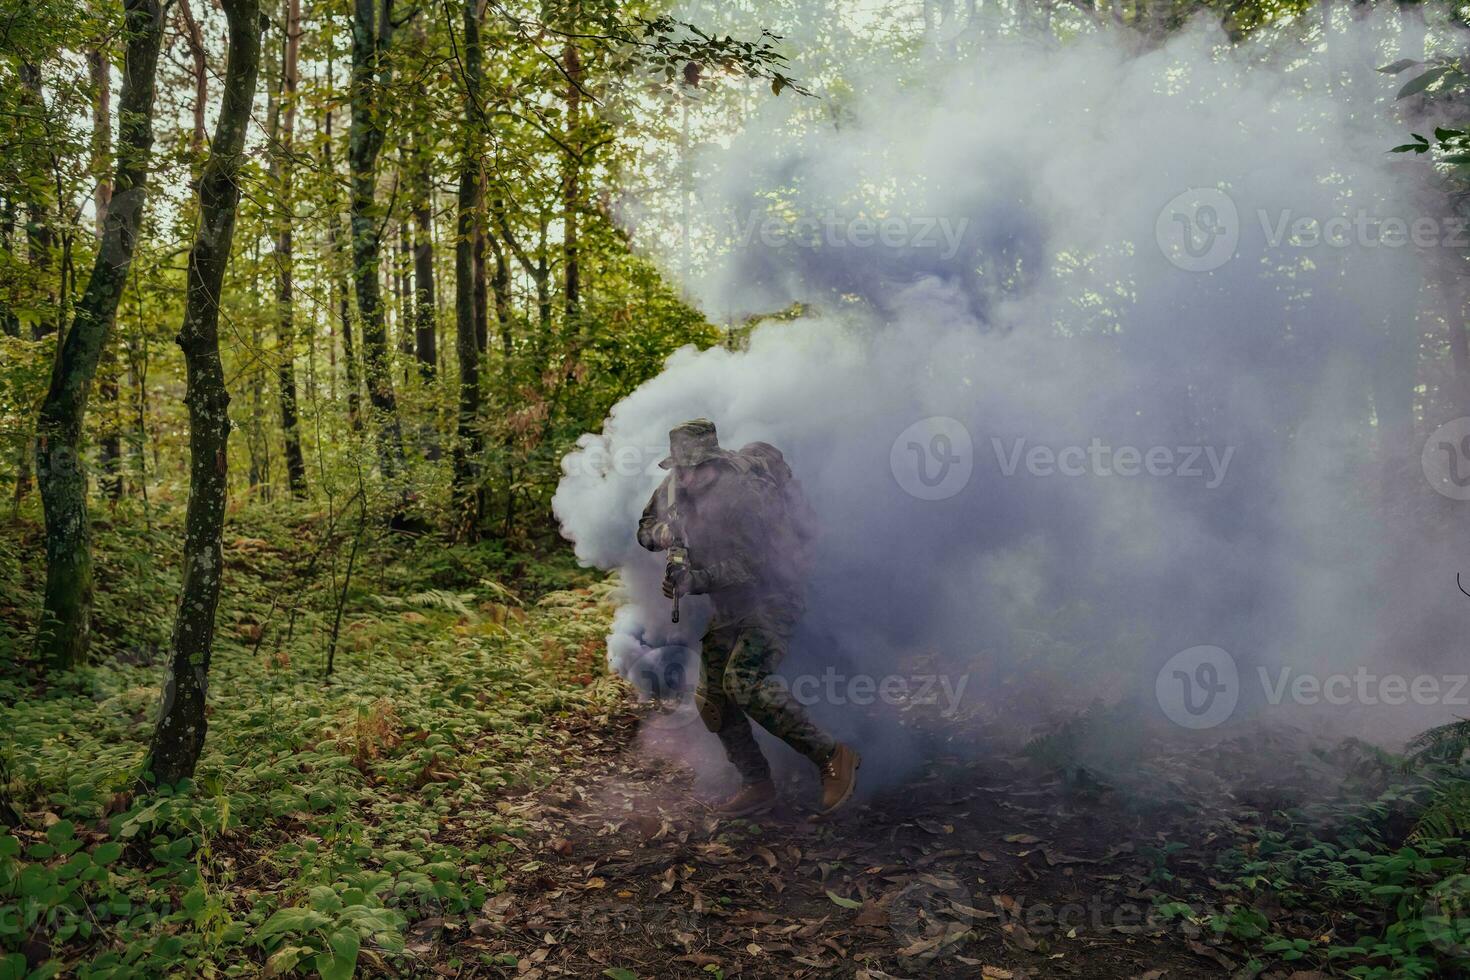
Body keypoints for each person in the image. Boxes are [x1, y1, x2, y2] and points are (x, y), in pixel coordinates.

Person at [637, 418, 860, 817]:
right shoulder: (675, 486)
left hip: (773, 596)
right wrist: (664, 535)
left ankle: (833, 756)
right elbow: (645, 529)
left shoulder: (743, 494)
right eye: (679, 470)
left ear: (713, 463)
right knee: (713, 700)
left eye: (693, 470)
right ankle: (757, 784)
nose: (685, 479)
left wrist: (696, 580)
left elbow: (756, 564)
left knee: (744, 682)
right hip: (729, 606)